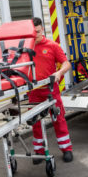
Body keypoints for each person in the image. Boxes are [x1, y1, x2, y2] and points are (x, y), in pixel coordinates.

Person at [30, 17, 73, 163]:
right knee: (36, 122)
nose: (35, 34)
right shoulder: (26, 49)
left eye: (38, 31)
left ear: (42, 29)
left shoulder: (52, 46)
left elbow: (67, 64)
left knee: (58, 119)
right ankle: (39, 151)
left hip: (51, 90)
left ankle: (66, 149)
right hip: (33, 91)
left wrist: (59, 72)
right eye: (32, 32)